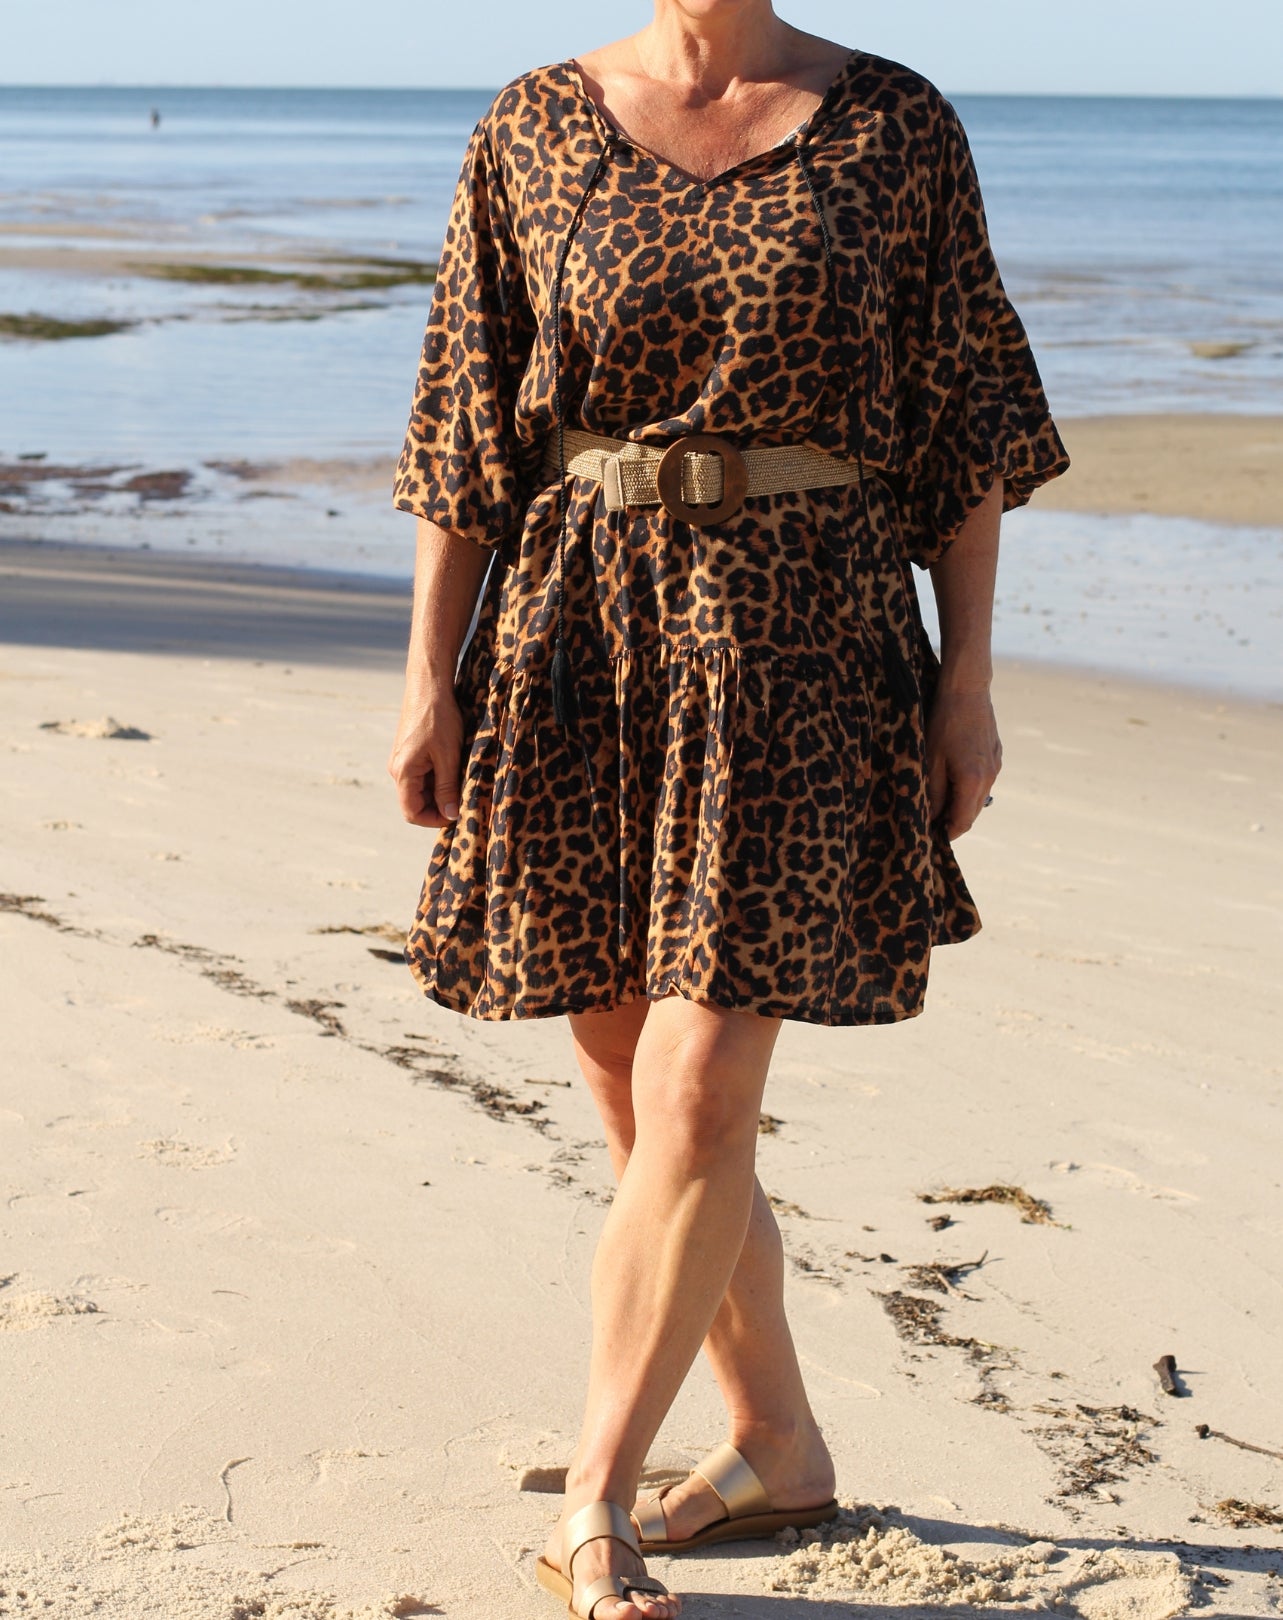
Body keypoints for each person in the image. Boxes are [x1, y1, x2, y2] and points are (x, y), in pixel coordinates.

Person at [387, 4, 1068, 1615]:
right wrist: (431, 673)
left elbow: (964, 425)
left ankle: (602, 1493)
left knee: (699, 1088)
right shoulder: (536, 126)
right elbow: (464, 414)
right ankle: (775, 1441)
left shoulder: (896, 125)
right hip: (578, 627)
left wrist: (966, 679)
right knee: (630, 1076)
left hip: (806, 639)